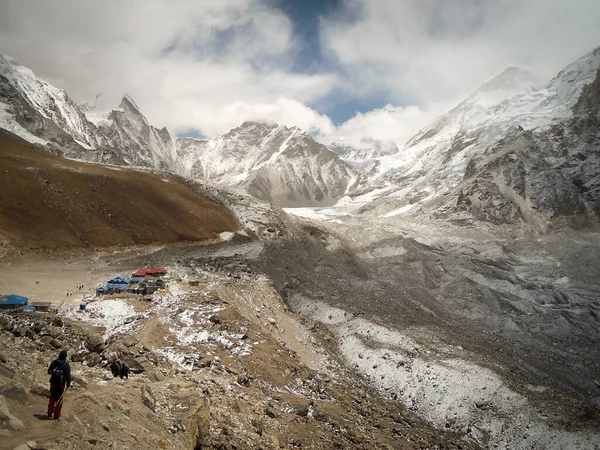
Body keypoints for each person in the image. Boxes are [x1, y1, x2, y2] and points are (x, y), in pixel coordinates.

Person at [47, 350, 71, 420]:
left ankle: (49, 413)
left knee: (52, 398)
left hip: (53, 383)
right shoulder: (66, 365)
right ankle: (56, 415)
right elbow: (68, 376)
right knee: (59, 400)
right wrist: (68, 384)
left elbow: (49, 372)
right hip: (61, 385)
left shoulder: (54, 362)